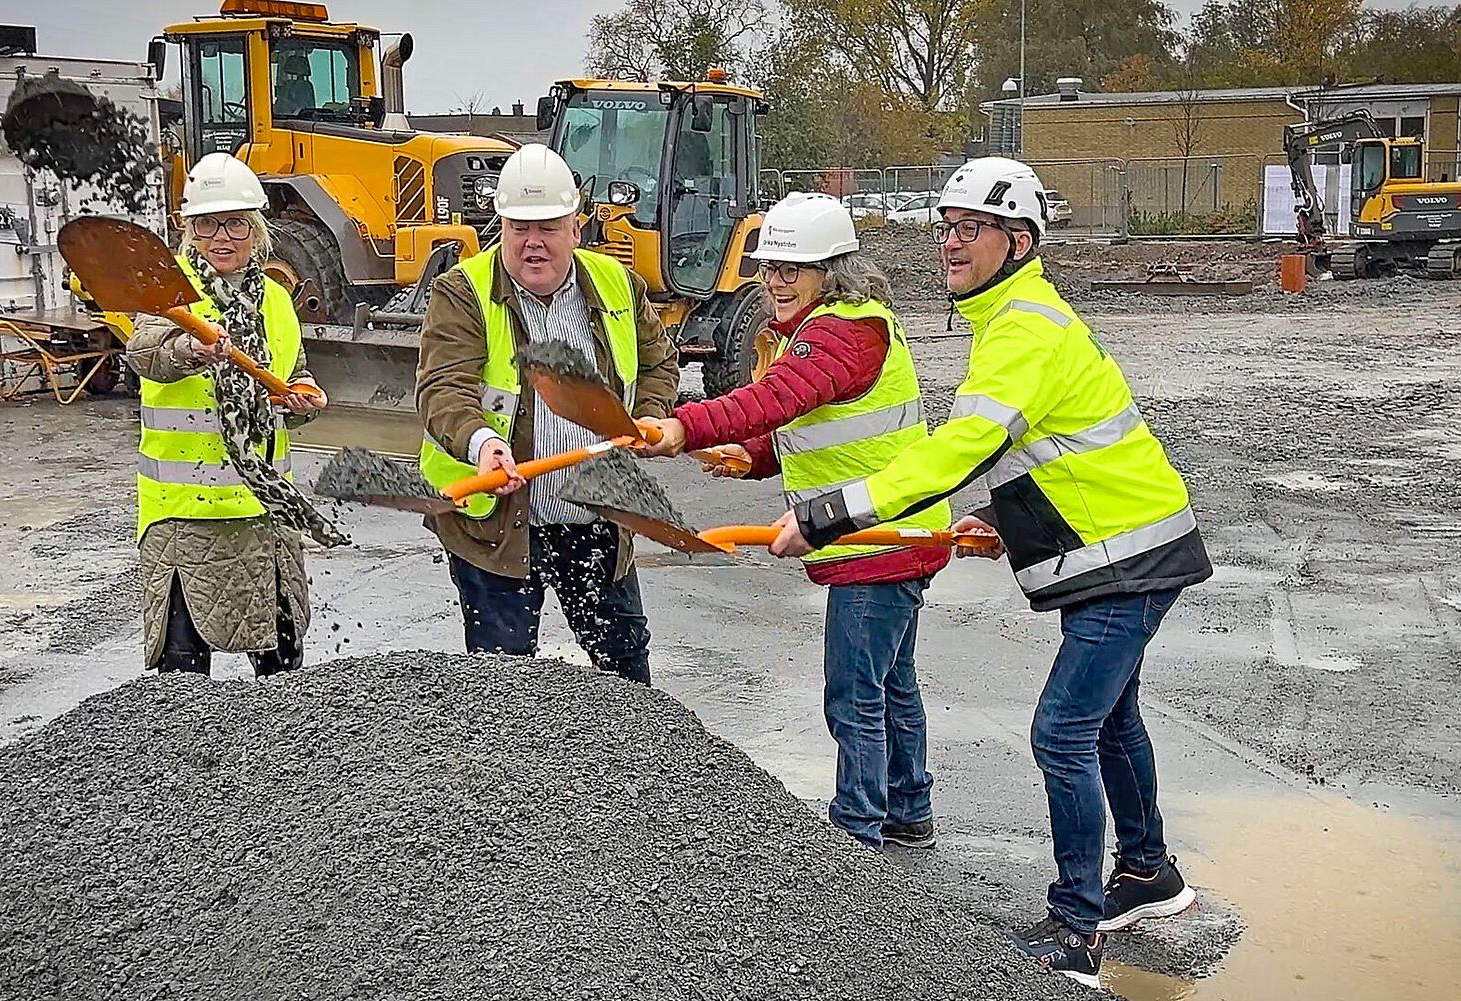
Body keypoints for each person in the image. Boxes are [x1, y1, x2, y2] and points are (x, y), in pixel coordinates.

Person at [766, 157, 1212, 989]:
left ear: (1019, 239)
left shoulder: (1024, 327)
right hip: (1130, 543)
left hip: (1129, 556)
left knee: (1061, 732)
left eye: (970, 228)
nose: (950, 243)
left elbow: (962, 445)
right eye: (946, 227)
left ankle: (1075, 927)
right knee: (1109, 721)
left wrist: (832, 512)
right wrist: (1008, 518)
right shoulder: (1010, 318)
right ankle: (1149, 872)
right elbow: (1067, 444)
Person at [637, 192, 950, 851]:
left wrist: (683, 426)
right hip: (891, 532)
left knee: (855, 692)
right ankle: (908, 807)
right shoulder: (833, 326)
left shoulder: (841, 331)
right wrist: (750, 458)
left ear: (830, 272)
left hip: (876, 538)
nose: (774, 281)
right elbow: (814, 423)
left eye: (790, 269)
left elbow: (776, 398)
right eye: (769, 267)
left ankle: (857, 829)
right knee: (891, 682)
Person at [415, 143, 679, 685]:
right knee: (503, 687)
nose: (533, 243)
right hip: (498, 525)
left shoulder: (617, 285)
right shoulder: (463, 292)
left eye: (548, 228)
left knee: (627, 674)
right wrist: (482, 444)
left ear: (575, 229)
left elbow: (659, 363)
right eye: (519, 228)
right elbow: (443, 388)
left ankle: (636, 767)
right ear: (501, 226)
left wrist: (648, 418)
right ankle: (506, 772)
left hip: (597, 517)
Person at [125, 152, 341, 677]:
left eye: (236, 224)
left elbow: (296, 370)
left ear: (257, 229)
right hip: (186, 516)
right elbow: (143, 352)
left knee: (282, 673)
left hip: (266, 510)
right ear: (189, 230)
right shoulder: (168, 294)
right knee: (181, 685)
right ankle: (184, 761)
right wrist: (189, 351)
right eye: (207, 225)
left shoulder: (276, 299)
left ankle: (281, 758)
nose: (223, 237)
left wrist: (303, 396)